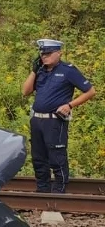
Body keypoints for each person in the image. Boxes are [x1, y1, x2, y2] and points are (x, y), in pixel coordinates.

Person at [22, 38, 96, 193]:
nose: (44, 56)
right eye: (42, 54)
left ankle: (59, 192)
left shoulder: (68, 70)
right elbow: (26, 91)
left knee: (56, 156)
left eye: (48, 53)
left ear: (58, 53)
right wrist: (34, 70)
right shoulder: (40, 71)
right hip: (37, 120)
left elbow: (90, 91)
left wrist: (70, 105)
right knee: (38, 158)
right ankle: (42, 190)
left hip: (55, 121)